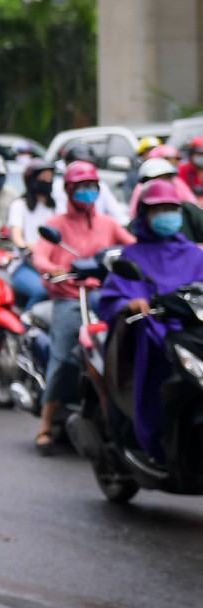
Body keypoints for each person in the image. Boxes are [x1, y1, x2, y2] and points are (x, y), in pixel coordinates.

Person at [30, 162, 135, 450]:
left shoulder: (108, 223)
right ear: (69, 190)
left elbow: (133, 247)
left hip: (106, 297)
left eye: (92, 187)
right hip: (70, 298)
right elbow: (40, 255)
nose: (88, 193)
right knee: (63, 358)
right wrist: (51, 269)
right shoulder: (56, 225)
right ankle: (46, 423)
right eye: (81, 188)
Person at [96, 179, 203, 462]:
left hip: (193, 330)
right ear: (145, 214)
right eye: (160, 209)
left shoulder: (194, 253)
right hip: (152, 331)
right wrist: (130, 303)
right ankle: (156, 439)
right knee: (155, 362)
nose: (167, 214)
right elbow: (112, 296)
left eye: (172, 208)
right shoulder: (132, 255)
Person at [6, 161, 58, 309]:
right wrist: (25, 245)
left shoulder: (56, 207)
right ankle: (27, 327)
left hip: (52, 264)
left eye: (50, 178)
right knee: (41, 290)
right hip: (24, 264)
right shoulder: (19, 206)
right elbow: (16, 234)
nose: (48, 182)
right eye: (44, 178)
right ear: (33, 181)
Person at [129, 157, 203, 229]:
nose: (163, 183)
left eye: (168, 177)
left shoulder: (189, 211)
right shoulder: (136, 225)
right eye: (158, 178)